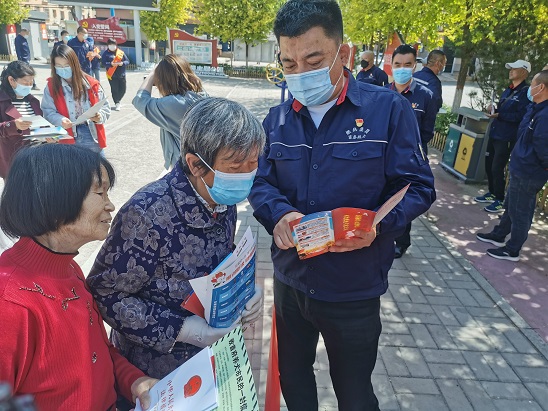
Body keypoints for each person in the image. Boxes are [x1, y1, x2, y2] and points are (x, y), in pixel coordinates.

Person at [248, 1, 436, 410]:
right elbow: (260, 181)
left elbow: (418, 186)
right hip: (292, 280)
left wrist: (379, 225)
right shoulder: (276, 120)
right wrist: (278, 214)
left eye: (314, 60)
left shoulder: (388, 111)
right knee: (293, 379)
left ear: (343, 52)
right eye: (289, 63)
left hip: (353, 287)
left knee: (355, 393)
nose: (301, 73)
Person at [87, 98, 266, 406]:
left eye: (253, 164)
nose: (246, 176)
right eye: (235, 168)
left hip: (212, 360)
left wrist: (246, 290)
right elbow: (106, 294)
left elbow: (222, 253)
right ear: (195, 164)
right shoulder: (147, 214)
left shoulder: (220, 196)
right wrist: (184, 330)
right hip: (156, 375)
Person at [0, 144, 158, 410]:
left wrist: (134, 382)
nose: (110, 205)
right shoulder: (10, 303)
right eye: (100, 192)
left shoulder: (68, 267)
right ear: (54, 200)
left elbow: (96, 352)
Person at [476, 70, 548, 261]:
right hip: (521, 167)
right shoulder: (536, 108)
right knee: (511, 206)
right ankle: (499, 235)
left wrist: (541, 167)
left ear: (541, 87)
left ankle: (512, 249)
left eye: (533, 84)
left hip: (529, 171)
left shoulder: (545, 115)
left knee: (521, 211)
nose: (530, 89)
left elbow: (543, 148)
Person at [385, 44, 437, 259]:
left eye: (407, 64)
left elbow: (427, 131)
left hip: (410, 159)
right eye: (398, 64)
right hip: (384, 157)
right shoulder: (382, 94)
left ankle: (402, 242)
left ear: (415, 66)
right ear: (391, 65)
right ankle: (383, 235)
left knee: (404, 200)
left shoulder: (425, 95)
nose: (402, 69)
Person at [132, 54, 207, 170]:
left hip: (186, 170)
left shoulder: (175, 104)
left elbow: (140, 100)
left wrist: (151, 75)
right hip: (201, 164)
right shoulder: (200, 95)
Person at [474, 59, 530, 213]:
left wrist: (500, 115)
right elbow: (503, 109)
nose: (510, 71)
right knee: (489, 164)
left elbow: (521, 116)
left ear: (524, 72)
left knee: (497, 167)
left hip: (507, 137)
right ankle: (492, 192)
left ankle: (499, 198)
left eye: (514, 68)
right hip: (495, 132)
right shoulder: (508, 90)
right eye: (510, 68)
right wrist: (494, 109)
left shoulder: (526, 93)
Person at [41, 45, 110, 153]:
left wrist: (99, 116)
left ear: (74, 64)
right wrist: (60, 120)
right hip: (65, 136)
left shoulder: (91, 84)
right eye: (59, 66)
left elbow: (105, 107)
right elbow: (48, 111)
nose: (63, 69)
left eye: (67, 65)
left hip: (90, 134)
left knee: (96, 164)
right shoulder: (51, 87)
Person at [0, 61, 42, 180]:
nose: (29, 86)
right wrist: (14, 126)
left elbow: (40, 125)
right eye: (25, 82)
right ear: (11, 80)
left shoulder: (33, 101)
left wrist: (49, 136)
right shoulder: (1, 101)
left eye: (31, 82)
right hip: (13, 159)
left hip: (36, 156)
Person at [102, 38, 129, 111]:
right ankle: (117, 103)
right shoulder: (106, 53)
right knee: (115, 89)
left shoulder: (121, 53)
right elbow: (103, 63)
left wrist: (122, 63)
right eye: (110, 44)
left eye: (113, 44)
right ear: (108, 45)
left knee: (123, 89)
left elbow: (127, 61)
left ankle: (118, 100)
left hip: (121, 74)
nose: (112, 46)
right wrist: (110, 64)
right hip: (112, 75)